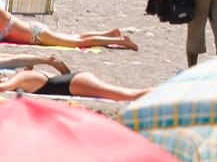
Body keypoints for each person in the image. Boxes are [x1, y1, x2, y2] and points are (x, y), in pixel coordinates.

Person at [0, 54, 148, 100]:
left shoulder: (21, 78)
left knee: (130, 95)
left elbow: (3, 87)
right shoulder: (25, 76)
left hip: (76, 83)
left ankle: (168, 92)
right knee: (130, 94)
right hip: (75, 80)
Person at [0, 8, 137, 49]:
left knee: (77, 43)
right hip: (35, 31)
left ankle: (121, 41)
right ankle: (110, 34)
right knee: (76, 37)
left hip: (36, 35)